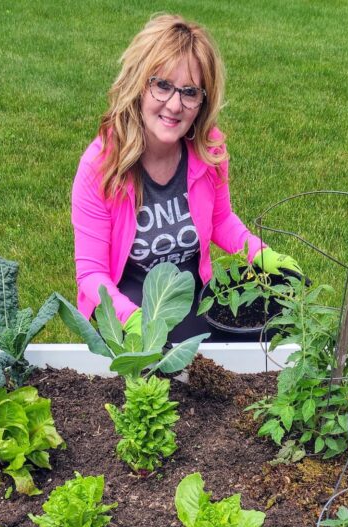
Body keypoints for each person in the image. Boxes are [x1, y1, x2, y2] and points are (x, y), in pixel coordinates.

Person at [71, 13, 301, 345]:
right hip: (129, 302)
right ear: (138, 84)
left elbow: (220, 220)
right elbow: (91, 275)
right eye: (162, 85)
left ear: (202, 101)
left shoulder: (209, 151)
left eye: (189, 92)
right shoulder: (101, 167)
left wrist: (258, 252)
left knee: (272, 332)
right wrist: (129, 318)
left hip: (191, 294)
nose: (174, 105)